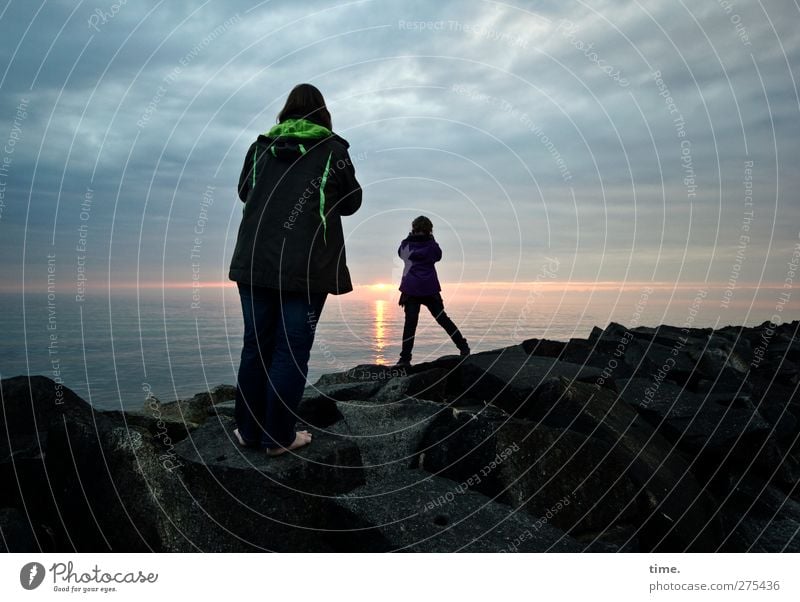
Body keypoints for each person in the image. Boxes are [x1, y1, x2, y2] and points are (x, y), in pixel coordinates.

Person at [229, 83, 361, 456]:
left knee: (255, 348)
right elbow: (351, 202)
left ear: (286, 112)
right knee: (290, 351)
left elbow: (244, 191)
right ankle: (279, 437)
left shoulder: (260, 148)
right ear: (323, 113)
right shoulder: (332, 150)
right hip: (306, 268)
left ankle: (249, 432)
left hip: (254, 263)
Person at [396, 216, 469, 366]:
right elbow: (438, 256)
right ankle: (463, 347)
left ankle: (405, 359)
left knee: (410, 324)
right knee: (443, 319)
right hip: (430, 288)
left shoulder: (406, 244)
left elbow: (401, 255)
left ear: (413, 228)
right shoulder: (431, 246)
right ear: (430, 230)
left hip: (410, 288)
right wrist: (431, 239)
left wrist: (410, 237)